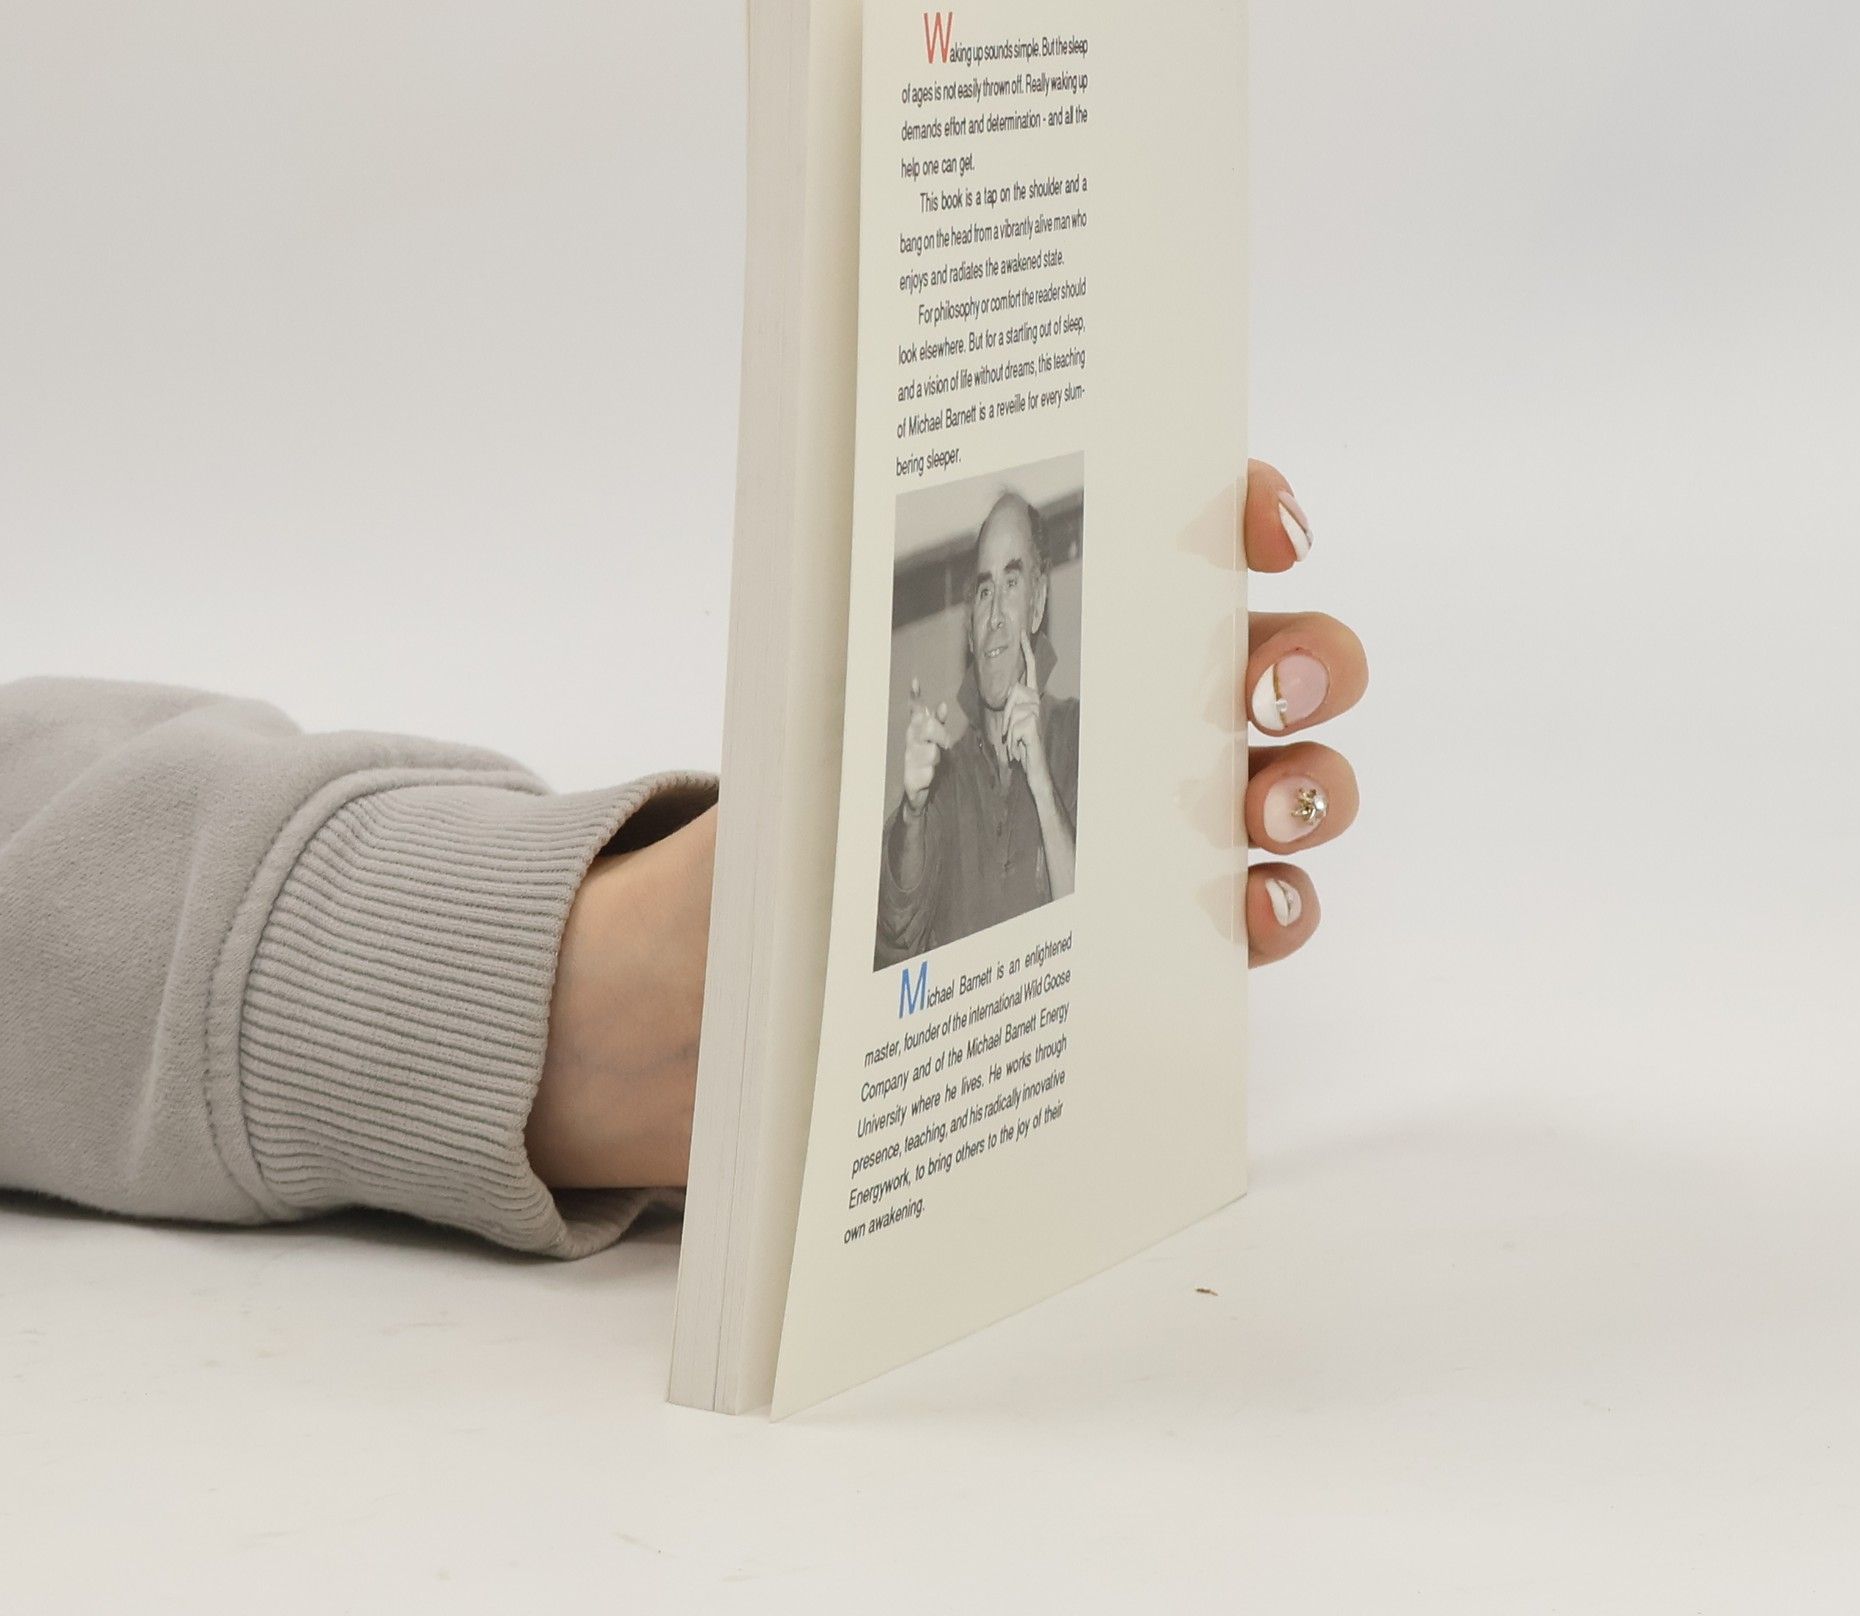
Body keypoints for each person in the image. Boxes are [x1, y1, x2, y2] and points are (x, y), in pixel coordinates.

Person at [0, 460, 1362, 1260]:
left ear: (1048, 596)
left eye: (1023, 577)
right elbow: (901, 916)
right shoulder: (932, 761)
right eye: (985, 580)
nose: (1003, 604)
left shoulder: (1072, 736)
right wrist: (574, 989)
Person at [875, 488, 1081, 969]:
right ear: (969, 628)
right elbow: (893, 938)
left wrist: (1041, 785)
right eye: (985, 591)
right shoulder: (941, 781)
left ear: (1038, 604)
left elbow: (1099, 931)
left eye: (1011, 583)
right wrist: (912, 812)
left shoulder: (1080, 733)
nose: (995, 616)